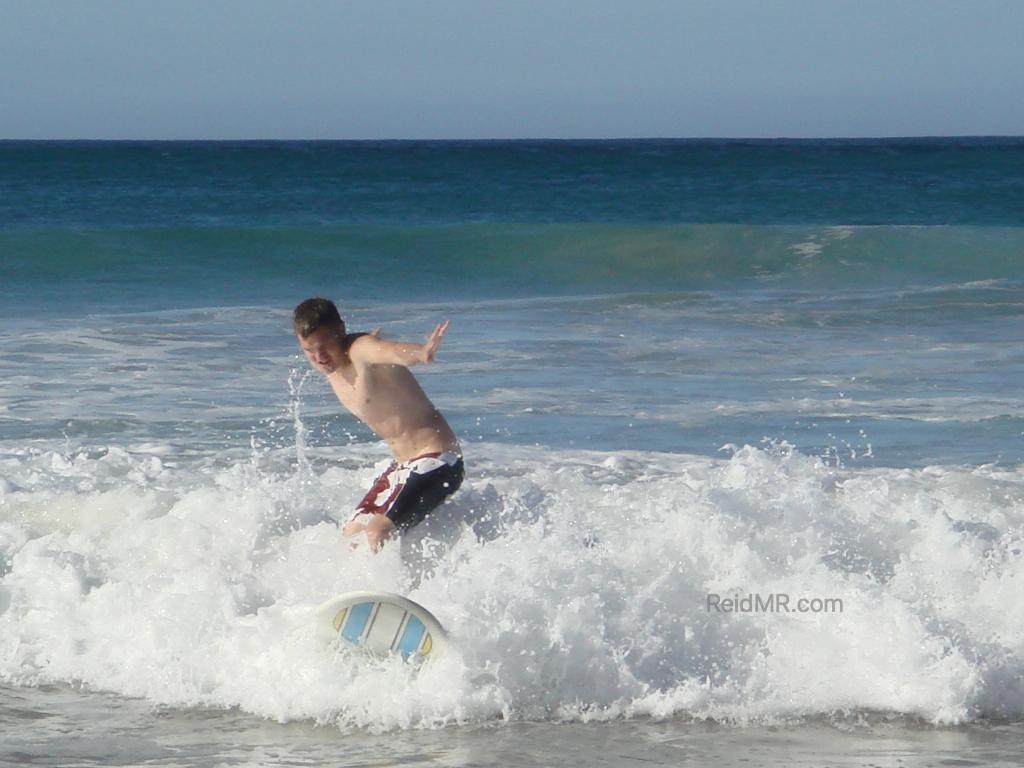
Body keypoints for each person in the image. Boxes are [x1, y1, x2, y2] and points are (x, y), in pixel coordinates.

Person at [293, 297, 464, 551]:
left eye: (325, 345)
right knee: (351, 535)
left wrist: (421, 352)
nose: (319, 357)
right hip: (403, 467)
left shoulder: (359, 349)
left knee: (378, 529)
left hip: (439, 460)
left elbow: (390, 350)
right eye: (309, 350)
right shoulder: (332, 367)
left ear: (340, 332)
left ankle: (392, 589)